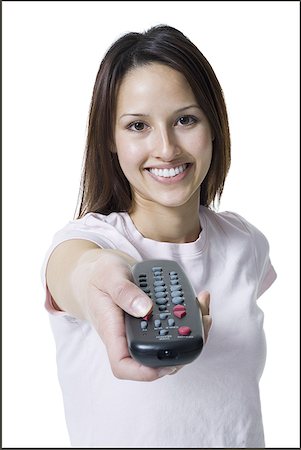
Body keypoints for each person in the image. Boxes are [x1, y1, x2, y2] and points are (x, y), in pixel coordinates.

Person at [41, 24, 277, 448]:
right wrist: (100, 279)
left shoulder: (246, 243)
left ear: (213, 125)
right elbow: (76, 271)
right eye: (137, 126)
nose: (166, 148)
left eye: (186, 119)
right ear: (110, 140)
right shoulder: (87, 241)